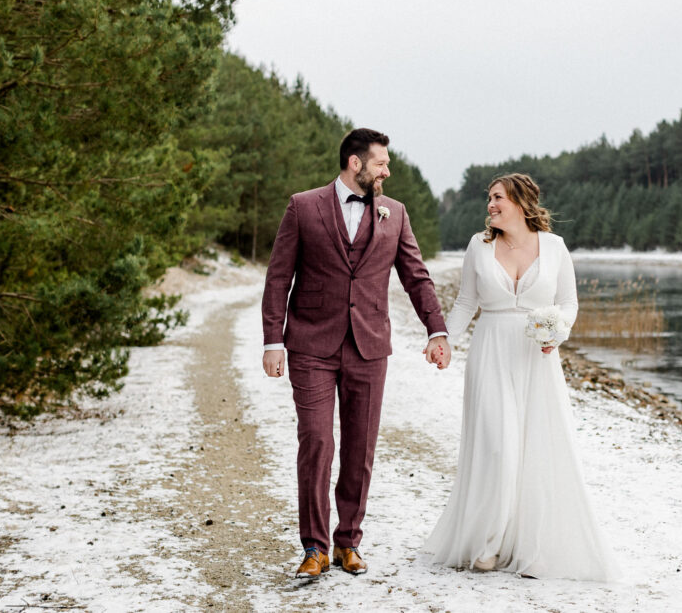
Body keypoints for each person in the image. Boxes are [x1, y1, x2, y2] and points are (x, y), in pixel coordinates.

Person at [262, 128, 452, 580]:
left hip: (369, 347)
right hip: (310, 344)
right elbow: (277, 277)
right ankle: (314, 546)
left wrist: (437, 329)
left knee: (359, 448)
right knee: (317, 442)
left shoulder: (396, 213)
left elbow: (417, 277)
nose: (388, 171)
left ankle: (349, 541)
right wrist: (273, 340)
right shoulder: (303, 206)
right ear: (355, 163)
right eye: (382, 163)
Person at [424, 173, 617, 581]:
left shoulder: (554, 247)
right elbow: (464, 302)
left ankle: (532, 545)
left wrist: (556, 334)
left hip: (536, 358)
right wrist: (442, 338)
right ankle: (489, 542)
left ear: (520, 202)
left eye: (497, 198)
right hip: (491, 351)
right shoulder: (480, 246)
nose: (490, 205)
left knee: (537, 447)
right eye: (489, 198)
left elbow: (567, 302)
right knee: (498, 445)